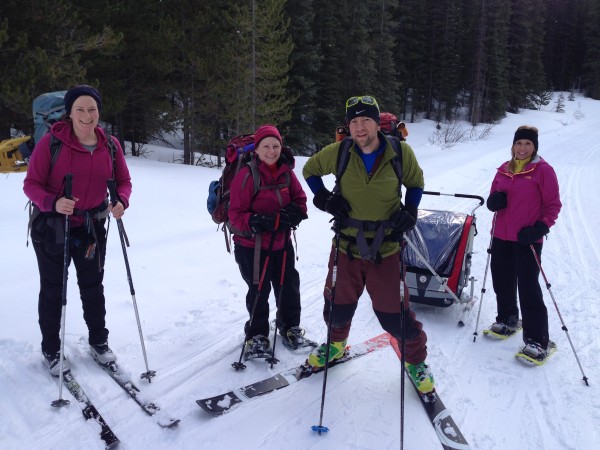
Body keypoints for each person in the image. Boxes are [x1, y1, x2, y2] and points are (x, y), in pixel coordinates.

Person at [302, 95, 434, 393]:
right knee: (337, 306)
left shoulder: (400, 153)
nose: (360, 128)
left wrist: (410, 211)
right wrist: (323, 197)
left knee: (394, 315)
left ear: (377, 123)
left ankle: (415, 362)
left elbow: (415, 183)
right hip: (346, 248)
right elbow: (309, 170)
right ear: (348, 126)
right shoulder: (340, 152)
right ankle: (336, 346)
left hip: (386, 249)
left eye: (365, 121)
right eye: (354, 122)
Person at [24, 85, 132, 376]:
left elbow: (123, 180)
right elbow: (31, 184)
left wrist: (121, 200)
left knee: (93, 286)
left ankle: (99, 342)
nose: (87, 115)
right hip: (52, 227)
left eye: (92, 109)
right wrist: (53, 202)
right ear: (69, 113)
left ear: (99, 112)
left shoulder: (110, 144)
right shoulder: (51, 143)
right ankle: (51, 349)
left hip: (92, 227)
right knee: (53, 290)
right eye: (81, 109)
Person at [228, 124, 310, 359]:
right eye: (266, 146)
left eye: (276, 146)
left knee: (288, 285)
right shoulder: (247, 174)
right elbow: (236, 214)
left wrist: (295, 213)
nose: (272, 151)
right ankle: (256, 335)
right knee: (258, 289)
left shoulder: (286, 172)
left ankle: (290, 327)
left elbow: (300, 199)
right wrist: (257, 221)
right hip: (251, 247)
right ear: (257, 149)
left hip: (281, 242)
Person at [486, 125, 561, 360]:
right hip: (501, 235)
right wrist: (493, 202)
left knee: (528, 287)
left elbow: (553, 205)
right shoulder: (503, 170)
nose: (522, 148)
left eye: (528, 144)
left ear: (534, 147)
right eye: (519, 143)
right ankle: (508, 318)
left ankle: (538, 340)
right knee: (502, 280)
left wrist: (540, 228)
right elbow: (492, 196)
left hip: (526, 238)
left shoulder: (543, 171)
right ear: (513, 146)